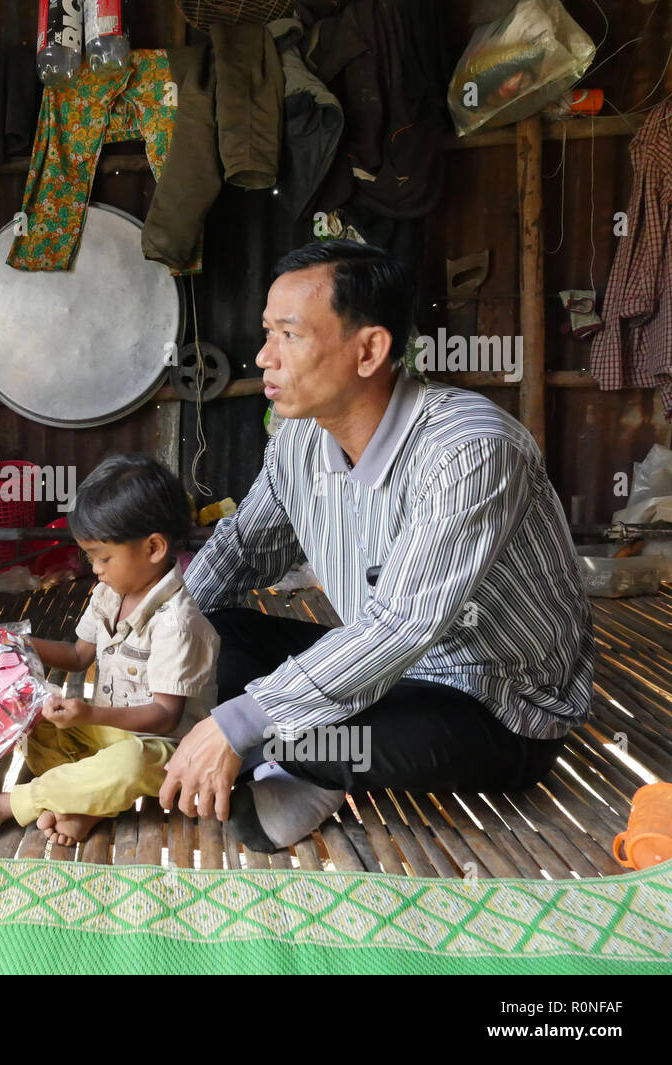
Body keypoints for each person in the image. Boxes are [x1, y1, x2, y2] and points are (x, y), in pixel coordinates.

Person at [161, 240, 594, 851]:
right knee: (207, 635)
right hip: (373, 674)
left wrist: (234, 723)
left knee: (279, 731)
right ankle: (285, 758)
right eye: (267, 332)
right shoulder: (298, 443)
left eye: (289, 334)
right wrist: (147, 640)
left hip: (488, 707)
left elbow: (400, 628)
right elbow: (239, 551)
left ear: (369, 350)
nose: (264, 357)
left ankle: (296, 765)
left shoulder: (467, 448)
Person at [0, 454, 219, 852]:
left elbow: (166, 718)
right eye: (90, 557)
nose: (93, 568)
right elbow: (79, 655)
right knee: (35, 719)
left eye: (103, 557)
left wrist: (90, 713)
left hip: (162, 749)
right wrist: (18, 644)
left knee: (129, 765)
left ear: (153, 548)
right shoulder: (108, 594)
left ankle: (3, 806)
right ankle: (83, 802)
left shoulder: (176, 623)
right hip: (106, 733)